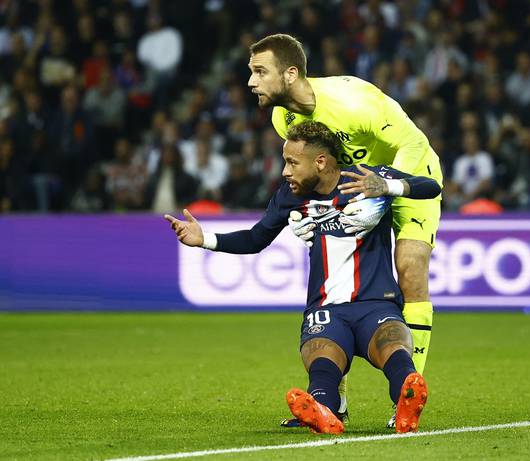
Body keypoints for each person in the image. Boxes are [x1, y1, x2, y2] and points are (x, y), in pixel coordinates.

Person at [164, 121, 441, 434]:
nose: (285, 171)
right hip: (327, 309)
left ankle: (406, 399)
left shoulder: (366, 178)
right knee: (322, 359)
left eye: (292, 162)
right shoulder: (290, 196)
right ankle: (323, 411)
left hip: (377, 304)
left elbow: (431, 187)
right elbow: (256, 239)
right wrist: (205, 239)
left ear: (320, 162)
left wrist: (387, 187)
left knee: (392, 348)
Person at [247, 34, 443, 427]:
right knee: (338, 289)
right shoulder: (281, 117)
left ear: (290, 73)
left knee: (410, 271)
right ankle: (332, 403)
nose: (251, 81)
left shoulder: (352, 99)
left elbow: (411, 142)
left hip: (406, 174)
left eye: (259, 71)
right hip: (353, 189)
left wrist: (386, 187)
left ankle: (404, 400)